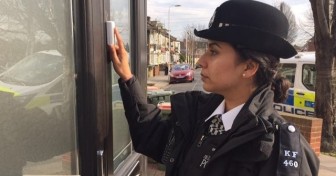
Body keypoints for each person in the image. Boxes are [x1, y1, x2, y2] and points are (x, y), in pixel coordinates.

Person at [108, 0, 319, 175]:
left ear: (249, 67)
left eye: (214, 51)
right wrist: (128, 78)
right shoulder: (200, 116)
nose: (201, 61)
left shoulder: (277, 149)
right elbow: (153, 137)